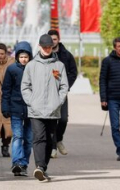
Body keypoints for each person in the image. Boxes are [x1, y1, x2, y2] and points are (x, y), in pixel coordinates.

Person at [21, 34, 68, 182]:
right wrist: (31, 102)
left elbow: (64, 87)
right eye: (45, 47)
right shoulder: (31, 65)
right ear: (40, 47)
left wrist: (57, 102)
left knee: (49, 139)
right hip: (36, 110)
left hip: (53, 110)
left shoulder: (59, 65)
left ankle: (43, 167)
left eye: (50, 47)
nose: (48, 49)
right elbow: (25, 86)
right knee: (39, 138)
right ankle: (39, 167)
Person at [2, 41, 33, 177]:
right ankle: (17, 163)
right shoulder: (12, 69)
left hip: (32, 110)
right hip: (15, 108)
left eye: (26, 57)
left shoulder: (34, 68)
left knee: (29, 139)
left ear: (30, 57)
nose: (24, 59)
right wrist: (5, 107)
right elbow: (6, 90)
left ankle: (24, 164)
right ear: (17, 57)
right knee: (18, 136)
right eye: (21, 57)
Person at [47, 29, 78, 158]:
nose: (53, 42)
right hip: (48, 93)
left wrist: (66, 86)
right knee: (52, 120)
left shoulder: (66, 55)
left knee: (63, 119)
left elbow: (73, 72)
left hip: (62, 92)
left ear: (58, 40)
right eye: (50, 39)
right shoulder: (44, 54)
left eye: (55, 39)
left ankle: (59, 139)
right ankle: (53, 147)